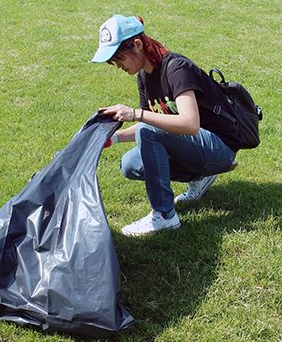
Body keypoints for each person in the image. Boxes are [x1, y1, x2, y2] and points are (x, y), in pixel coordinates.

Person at [93, 15, 241, 236]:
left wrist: (135, 114)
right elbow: (155, 126)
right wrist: (112, 139)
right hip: (196, 146)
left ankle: (164, 215)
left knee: (145, 126)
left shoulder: (177, 69)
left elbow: (190, 124)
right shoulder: (144, 77)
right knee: (130, 164)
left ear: (137, 45)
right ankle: (200, 177)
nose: (117, 66)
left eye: (118, 57)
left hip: (219, 147)